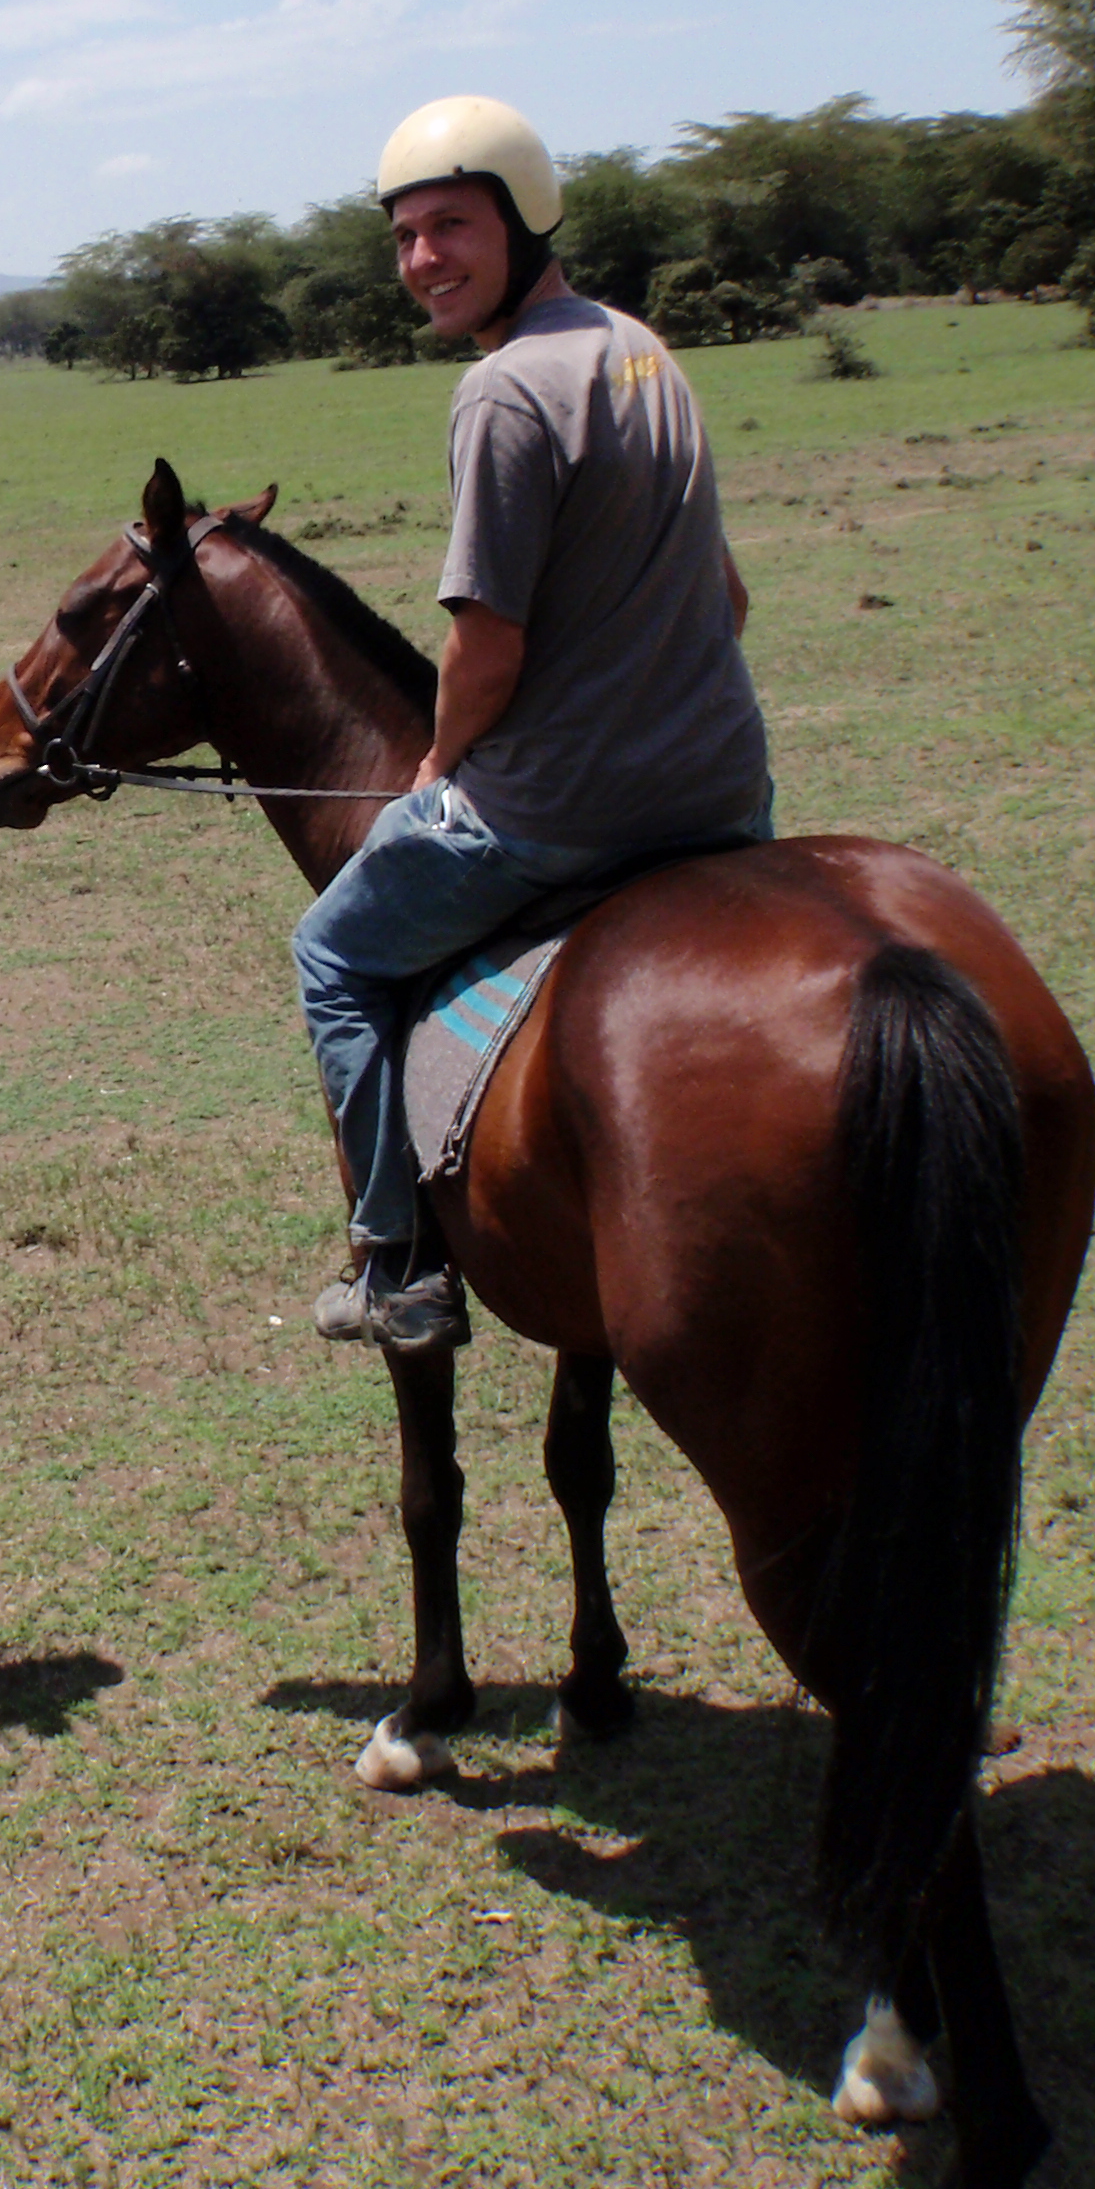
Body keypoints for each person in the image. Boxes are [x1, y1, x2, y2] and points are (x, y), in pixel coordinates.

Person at [294, 97, 772, 1353]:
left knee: (332, 957)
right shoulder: (639, 349)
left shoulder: (503, 393)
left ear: (519, 219)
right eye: (401, 237)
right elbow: (725, 598)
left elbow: (485, 647)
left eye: (449, 225)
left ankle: (394, 1266)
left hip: (562, 814)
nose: (420, 262)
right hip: (725, 793)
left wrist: (440, 767)